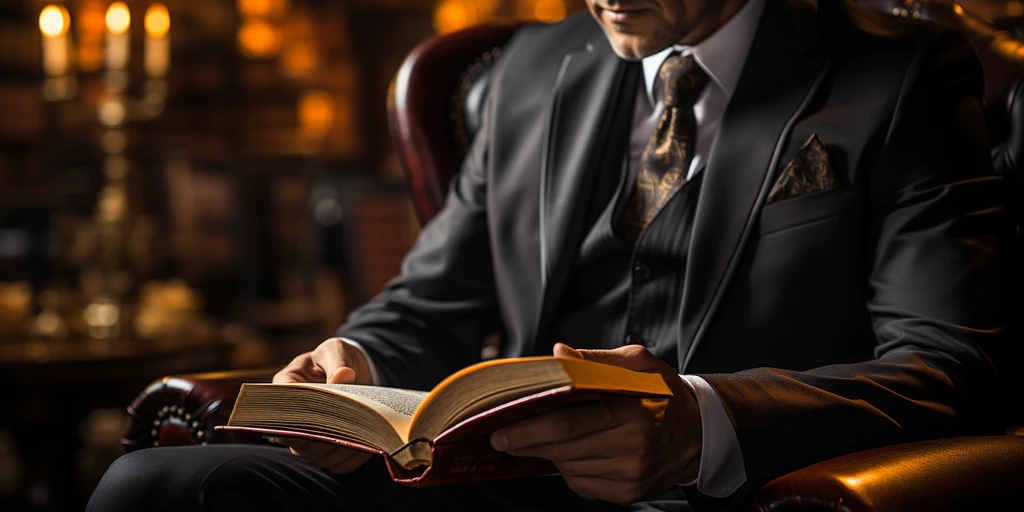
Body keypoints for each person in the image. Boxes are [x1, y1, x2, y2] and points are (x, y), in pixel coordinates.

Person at [88, 0, 1011, 510]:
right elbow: (429, 301)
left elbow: (946, 367)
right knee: (157, 489)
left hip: (741, 500)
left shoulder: (899, 76)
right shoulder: (529, 72)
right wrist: (352, 364)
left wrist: (702, 427)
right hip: (503, 488)